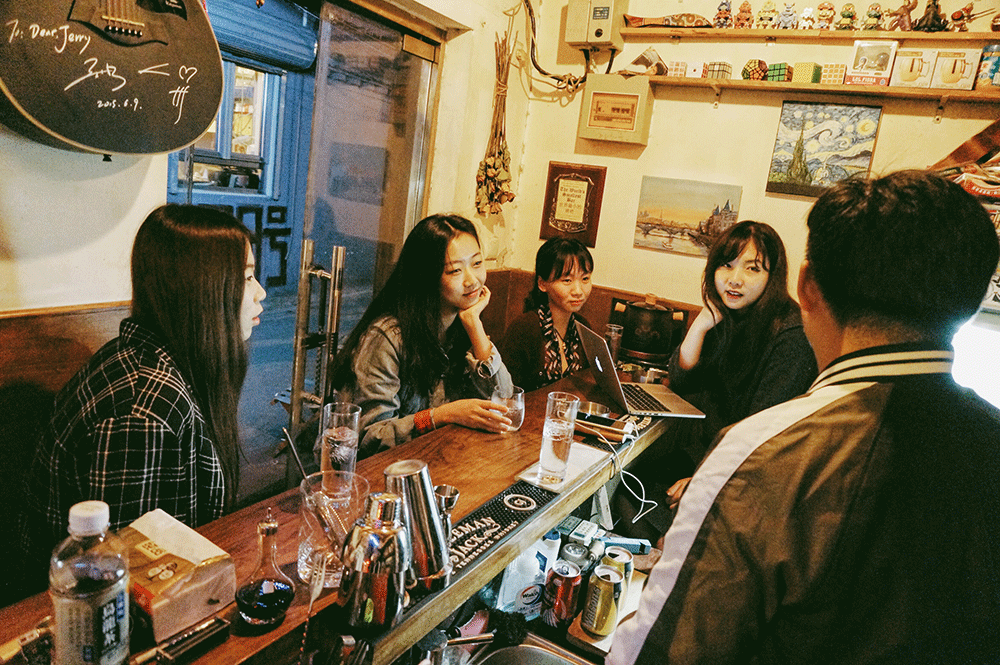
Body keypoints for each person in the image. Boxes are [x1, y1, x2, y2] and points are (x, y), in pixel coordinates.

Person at [609, 170, 1000, 664]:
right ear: (973, 301)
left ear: (807, 286)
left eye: (752, 268)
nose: (735, 278)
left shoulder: (764, 450)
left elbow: (660, 651)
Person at [19, 204, 266, 569]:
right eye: (246, 278)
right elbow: (127, 574)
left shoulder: (153, 358)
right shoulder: (144, 411)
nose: (260, 292)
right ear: (200, 289)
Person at [330, 214, 513, 456]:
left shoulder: (462, 322)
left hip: (435, 460)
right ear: (427, 276)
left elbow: (504, 399)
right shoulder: (388, 337)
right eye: (455, 270)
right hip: (382, 472)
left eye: (477, 263)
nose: (472, 280)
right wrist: (442, 415)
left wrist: (474, 325)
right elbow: (369, 438)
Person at [664, 220, 818, 505]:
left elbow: (761, 434)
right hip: (707, 457)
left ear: (772, 276)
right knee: (627, 484)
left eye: (752, 268)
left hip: (747, 478)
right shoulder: (727, 315)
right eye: (727, 265)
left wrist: (704, 481)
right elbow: (681, 382)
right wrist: (699, 326)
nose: (735, 279)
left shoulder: (790, 335)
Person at [500, 237, 594, 392]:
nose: (578, 291)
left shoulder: (583, 327)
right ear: (542, 284)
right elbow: (507, 392)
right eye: (567, 280)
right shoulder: (524, 328)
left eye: (585, 279)